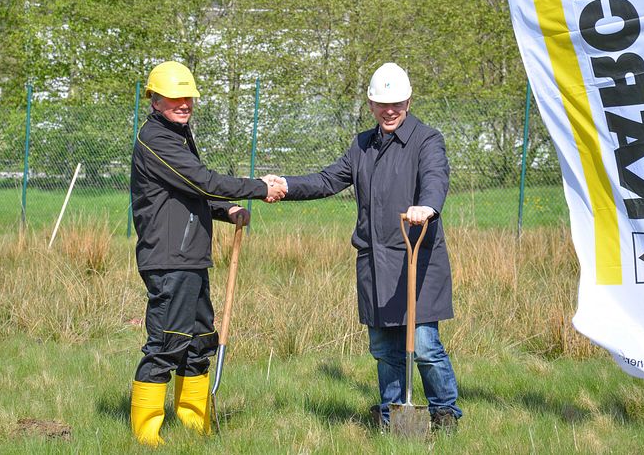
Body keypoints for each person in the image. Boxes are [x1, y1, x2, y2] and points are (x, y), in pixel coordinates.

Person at [269, 62, 461, 431]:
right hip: (374, 263)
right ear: (371, 105)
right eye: (381, 104)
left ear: (408, 101)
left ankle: (445, 412)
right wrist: (287, 185)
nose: (390, 111)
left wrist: (428, 206)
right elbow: (327, 180)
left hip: (416, 258)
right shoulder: (361, 146)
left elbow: (436, 177)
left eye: (397, 104)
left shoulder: (427, 139)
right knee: (385, 350)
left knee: (423, 345)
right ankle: (392, 415)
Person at [129, 60, 286, 446]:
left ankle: (194, 422)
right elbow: (202, 180)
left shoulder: (178, 134)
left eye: (188, 97)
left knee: (199, 340)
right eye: (175, 97)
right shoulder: (156, 139)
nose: (184, 103)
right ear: (155, 100)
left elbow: (192, 192)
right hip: (168, 259)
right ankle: (146, 432)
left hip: (191, 257)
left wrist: (225, 210)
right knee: (167, 341)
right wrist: (257, 187)